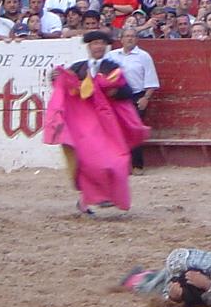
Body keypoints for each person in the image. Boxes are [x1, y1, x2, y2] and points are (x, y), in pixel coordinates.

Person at [44, 29, 149, 215]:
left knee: (113, 160)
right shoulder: (78, 67)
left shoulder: (112, 67)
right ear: (89, 47)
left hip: (107, 125)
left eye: (101, 43)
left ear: (106, 46)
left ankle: (103, 196)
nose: (98, 46)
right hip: (84, 125)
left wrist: (112, 91)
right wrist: (56, 77)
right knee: (87, 162)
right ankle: (88, 199)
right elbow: (63, 85)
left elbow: (127, 92)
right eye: (94, 43)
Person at [108, 26, 159, 174]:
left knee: (134, 131)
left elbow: (151, 80)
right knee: (116, 131)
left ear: (136, 39)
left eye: (132, 36)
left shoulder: (144, 56)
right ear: (121, 39)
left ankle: (137, 165)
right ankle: (121, 165)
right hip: (116, 97)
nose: (130, 38)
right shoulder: (112, 56)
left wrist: (146, 98)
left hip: (137, 97)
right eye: (127, 36)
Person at [122, 248, 211, 307]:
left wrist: (207, 285)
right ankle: (139, 279)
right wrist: (207, 285)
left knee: (158, 283)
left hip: (180, 263)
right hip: (180, 264)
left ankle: (141, 278)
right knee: (155, 286)